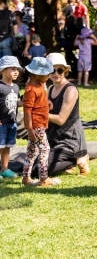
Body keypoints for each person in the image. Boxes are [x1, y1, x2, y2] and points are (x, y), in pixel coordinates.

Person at [43, 53, 89, 177]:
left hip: (69, 141)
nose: (56, 73)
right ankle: (71, 161)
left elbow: (61, 119)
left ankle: (76, 159)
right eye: (52, 70)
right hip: (52, 138)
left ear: (65, 71)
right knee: (31, 163)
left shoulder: (70, 90)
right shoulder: (51, 88)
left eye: (60, 70)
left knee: (42, 169)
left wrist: (39, 114)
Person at [22, 57, 59, 186]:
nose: (49, 76)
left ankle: (26, 178)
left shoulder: (39, 85)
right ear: (38, 74)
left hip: (40, 124)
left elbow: (40, 99)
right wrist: (30, 129)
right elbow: (27, 111)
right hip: (36, 125)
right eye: (47, 74)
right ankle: (44, 178)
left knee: (32, 150)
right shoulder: (31, 89)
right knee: (45, 149)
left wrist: (46, 102)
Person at [0, 56, 22, 178]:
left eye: (17, 69)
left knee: (8, 147)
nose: (16, 72)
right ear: (2, 70)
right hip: (1, 123)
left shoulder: (16, 87)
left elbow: (15, 102)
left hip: (12, 122)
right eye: (12, 69)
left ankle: (5, 169)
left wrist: (23, 102)